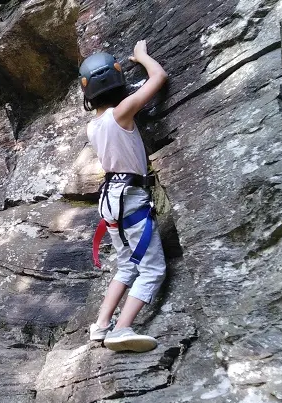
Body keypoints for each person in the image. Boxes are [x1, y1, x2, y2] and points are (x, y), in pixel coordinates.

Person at [82, 40, 168, 352]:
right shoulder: (123, 112)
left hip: (109, 199)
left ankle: (101, 324)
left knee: (127, 264)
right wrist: (143, 56)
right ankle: (121, 328)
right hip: (130, 197)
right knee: (152, 268)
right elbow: (159, 78)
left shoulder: (94, 126)